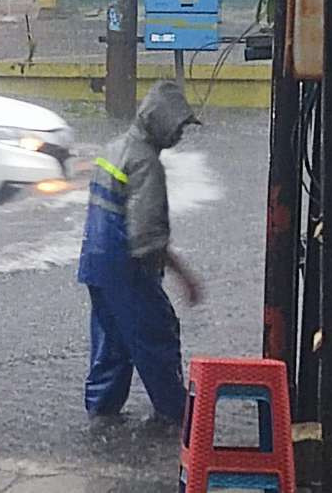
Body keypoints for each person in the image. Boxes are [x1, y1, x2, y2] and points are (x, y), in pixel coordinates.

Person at [77, 80, 204, 428]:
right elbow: (147, 238)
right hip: (127, 269)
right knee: (157, 334)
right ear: (160, 122)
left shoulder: (115, 148)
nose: (179, 135)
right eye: (177, 127)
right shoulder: (146, 163)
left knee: (112, 340)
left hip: (96, 263)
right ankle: (174, 414)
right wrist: (185, 277)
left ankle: (102, 411)